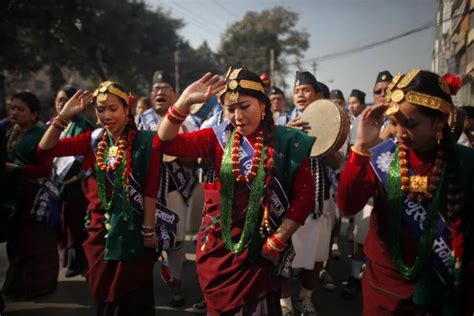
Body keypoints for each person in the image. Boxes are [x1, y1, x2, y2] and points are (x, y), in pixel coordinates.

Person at [157, 68, 315, 315]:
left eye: (244, 106)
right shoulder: (218, 137)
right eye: (230, 109)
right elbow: (164, 142)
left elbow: (305, 196)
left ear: (263, 105)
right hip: (219, 250)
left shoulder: (288, 142)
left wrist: (279, 239)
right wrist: (184, 101)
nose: (238, 116)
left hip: (260, 251)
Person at [337, 69, 474, 315]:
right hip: (383, 291)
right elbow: (347, 206)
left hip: (440, 293)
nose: (399, 134)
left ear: (440, 120)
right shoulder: (381, 156)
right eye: (393, 123)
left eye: (410, 124)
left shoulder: (466, 163)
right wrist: (361, 147)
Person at [38, 81, 164, 315]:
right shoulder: (93, 140)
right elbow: (45, 149)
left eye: (113, 109)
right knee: (102, 293)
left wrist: (148, 229)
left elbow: (150, 189)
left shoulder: (147, 141)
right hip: (99, 231)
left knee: (134, 296)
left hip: (135, 232)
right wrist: (63, 116)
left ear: (127, 109)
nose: (106, 115)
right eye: (100, 109)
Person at [138, 70, 200, 306]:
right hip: (146, 192)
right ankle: (142, 286)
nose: (160, 92)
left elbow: (196, 159)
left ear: (175, 95)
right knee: (146, 237)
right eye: (155, 89)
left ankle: (175, 281)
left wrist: (179, 153)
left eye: (165, 88)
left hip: (176, 189)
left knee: (175, 239)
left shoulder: (190, 121)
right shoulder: (141, 120)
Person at [283, 71, 342, 316]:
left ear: (318, 95)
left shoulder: (333, 122)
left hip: (319, 201)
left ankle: (306, 297)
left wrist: (320, 140)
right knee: (285, 257)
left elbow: (337, 162)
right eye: (297, 90)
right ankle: (285, 303)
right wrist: (286, 134)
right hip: (288, 203)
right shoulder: (283, 122)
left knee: (316, 254)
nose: (300, 94)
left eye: (305, 90)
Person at [342, 71, 394, 300]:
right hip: (369, 195)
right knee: (361, 242)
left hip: (400, 199)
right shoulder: (364, 120)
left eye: (387, 90)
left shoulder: (403, 122)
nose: (382, 95)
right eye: (378, 91)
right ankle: (355, 280)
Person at [2, 91, 58, 299]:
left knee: (33, 243)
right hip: (13, 196)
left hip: (34, 196)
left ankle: (36, 286)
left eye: (20, 109)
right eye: (12, 108)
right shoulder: (8, 130)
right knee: (14, 241)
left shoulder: (41, 134)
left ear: (34, 114)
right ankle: (16, 286)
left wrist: (16, 168)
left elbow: (45, 170)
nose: (14, 112)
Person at [52, 85, 94, 277]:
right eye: (59, 99)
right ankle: (67, 259)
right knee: (63, 223)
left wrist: (75, 176)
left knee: (76, 225)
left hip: (77, 186)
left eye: (65, 100)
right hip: (58, 185)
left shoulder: (83, 126)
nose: (61, 104)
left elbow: (84, 157)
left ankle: (79, 262)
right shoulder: (55, 125)